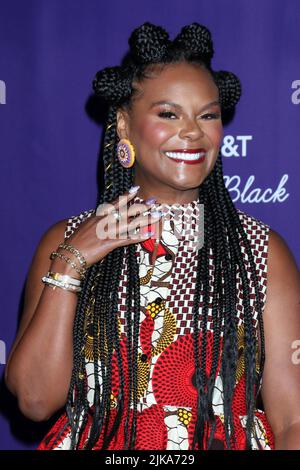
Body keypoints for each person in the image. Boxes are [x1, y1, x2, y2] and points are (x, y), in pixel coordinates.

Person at [5, 22, 300, 450]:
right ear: (124, 124)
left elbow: (293, 419)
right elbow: (34, 400)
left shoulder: (259, 251)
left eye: (208, 114)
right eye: (169, 113)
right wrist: (72, 262)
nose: (193, 131)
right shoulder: (66, 240)